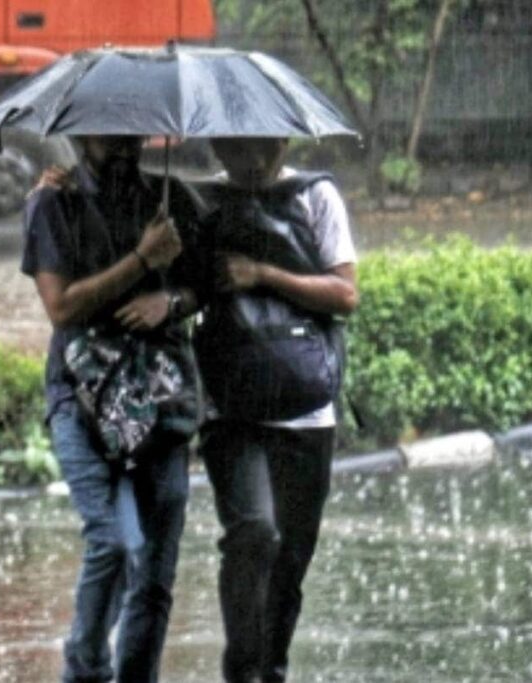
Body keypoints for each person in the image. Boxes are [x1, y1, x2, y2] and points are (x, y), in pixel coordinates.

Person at [20, 134, 204, 683]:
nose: (124, 142)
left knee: (155, 575)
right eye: (109, 132)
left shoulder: (172, 199)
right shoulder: (54, 203)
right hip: (83, 397)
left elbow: (206, 283)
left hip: (161, 396)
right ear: (80, 135)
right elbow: (62, 307)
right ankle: (86, 670)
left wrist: (171, 300)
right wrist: (142, 260)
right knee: (113, 542)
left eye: (132, 131)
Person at [198, 136, 359, 683]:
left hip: (306, 407)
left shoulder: (315, 197)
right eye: (239, 149)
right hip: (231, 407)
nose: (254, 161)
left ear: (286, 141)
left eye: (265, 148)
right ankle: (243, 672)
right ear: (217, 148)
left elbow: (345, 294)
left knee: (290, 558)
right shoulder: (202, 202)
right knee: (253, 534)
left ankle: (271, 670)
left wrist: (263, 274)